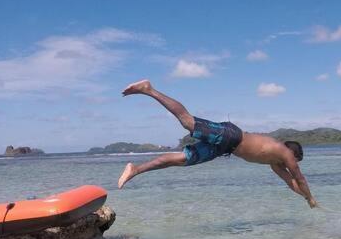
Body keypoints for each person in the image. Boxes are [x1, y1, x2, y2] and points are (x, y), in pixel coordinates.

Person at [116, 80, 318, 208]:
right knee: (188, 121)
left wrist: (306, 199)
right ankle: (149, 89)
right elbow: (298, 178)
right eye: (294, 160)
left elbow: (290, 182)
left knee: (180, 159)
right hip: (231, 136)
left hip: (224, 147)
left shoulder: (274, 162)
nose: (291, 164)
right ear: (294, 154)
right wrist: (309, 197)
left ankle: (136, 170)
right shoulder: (285, 153)